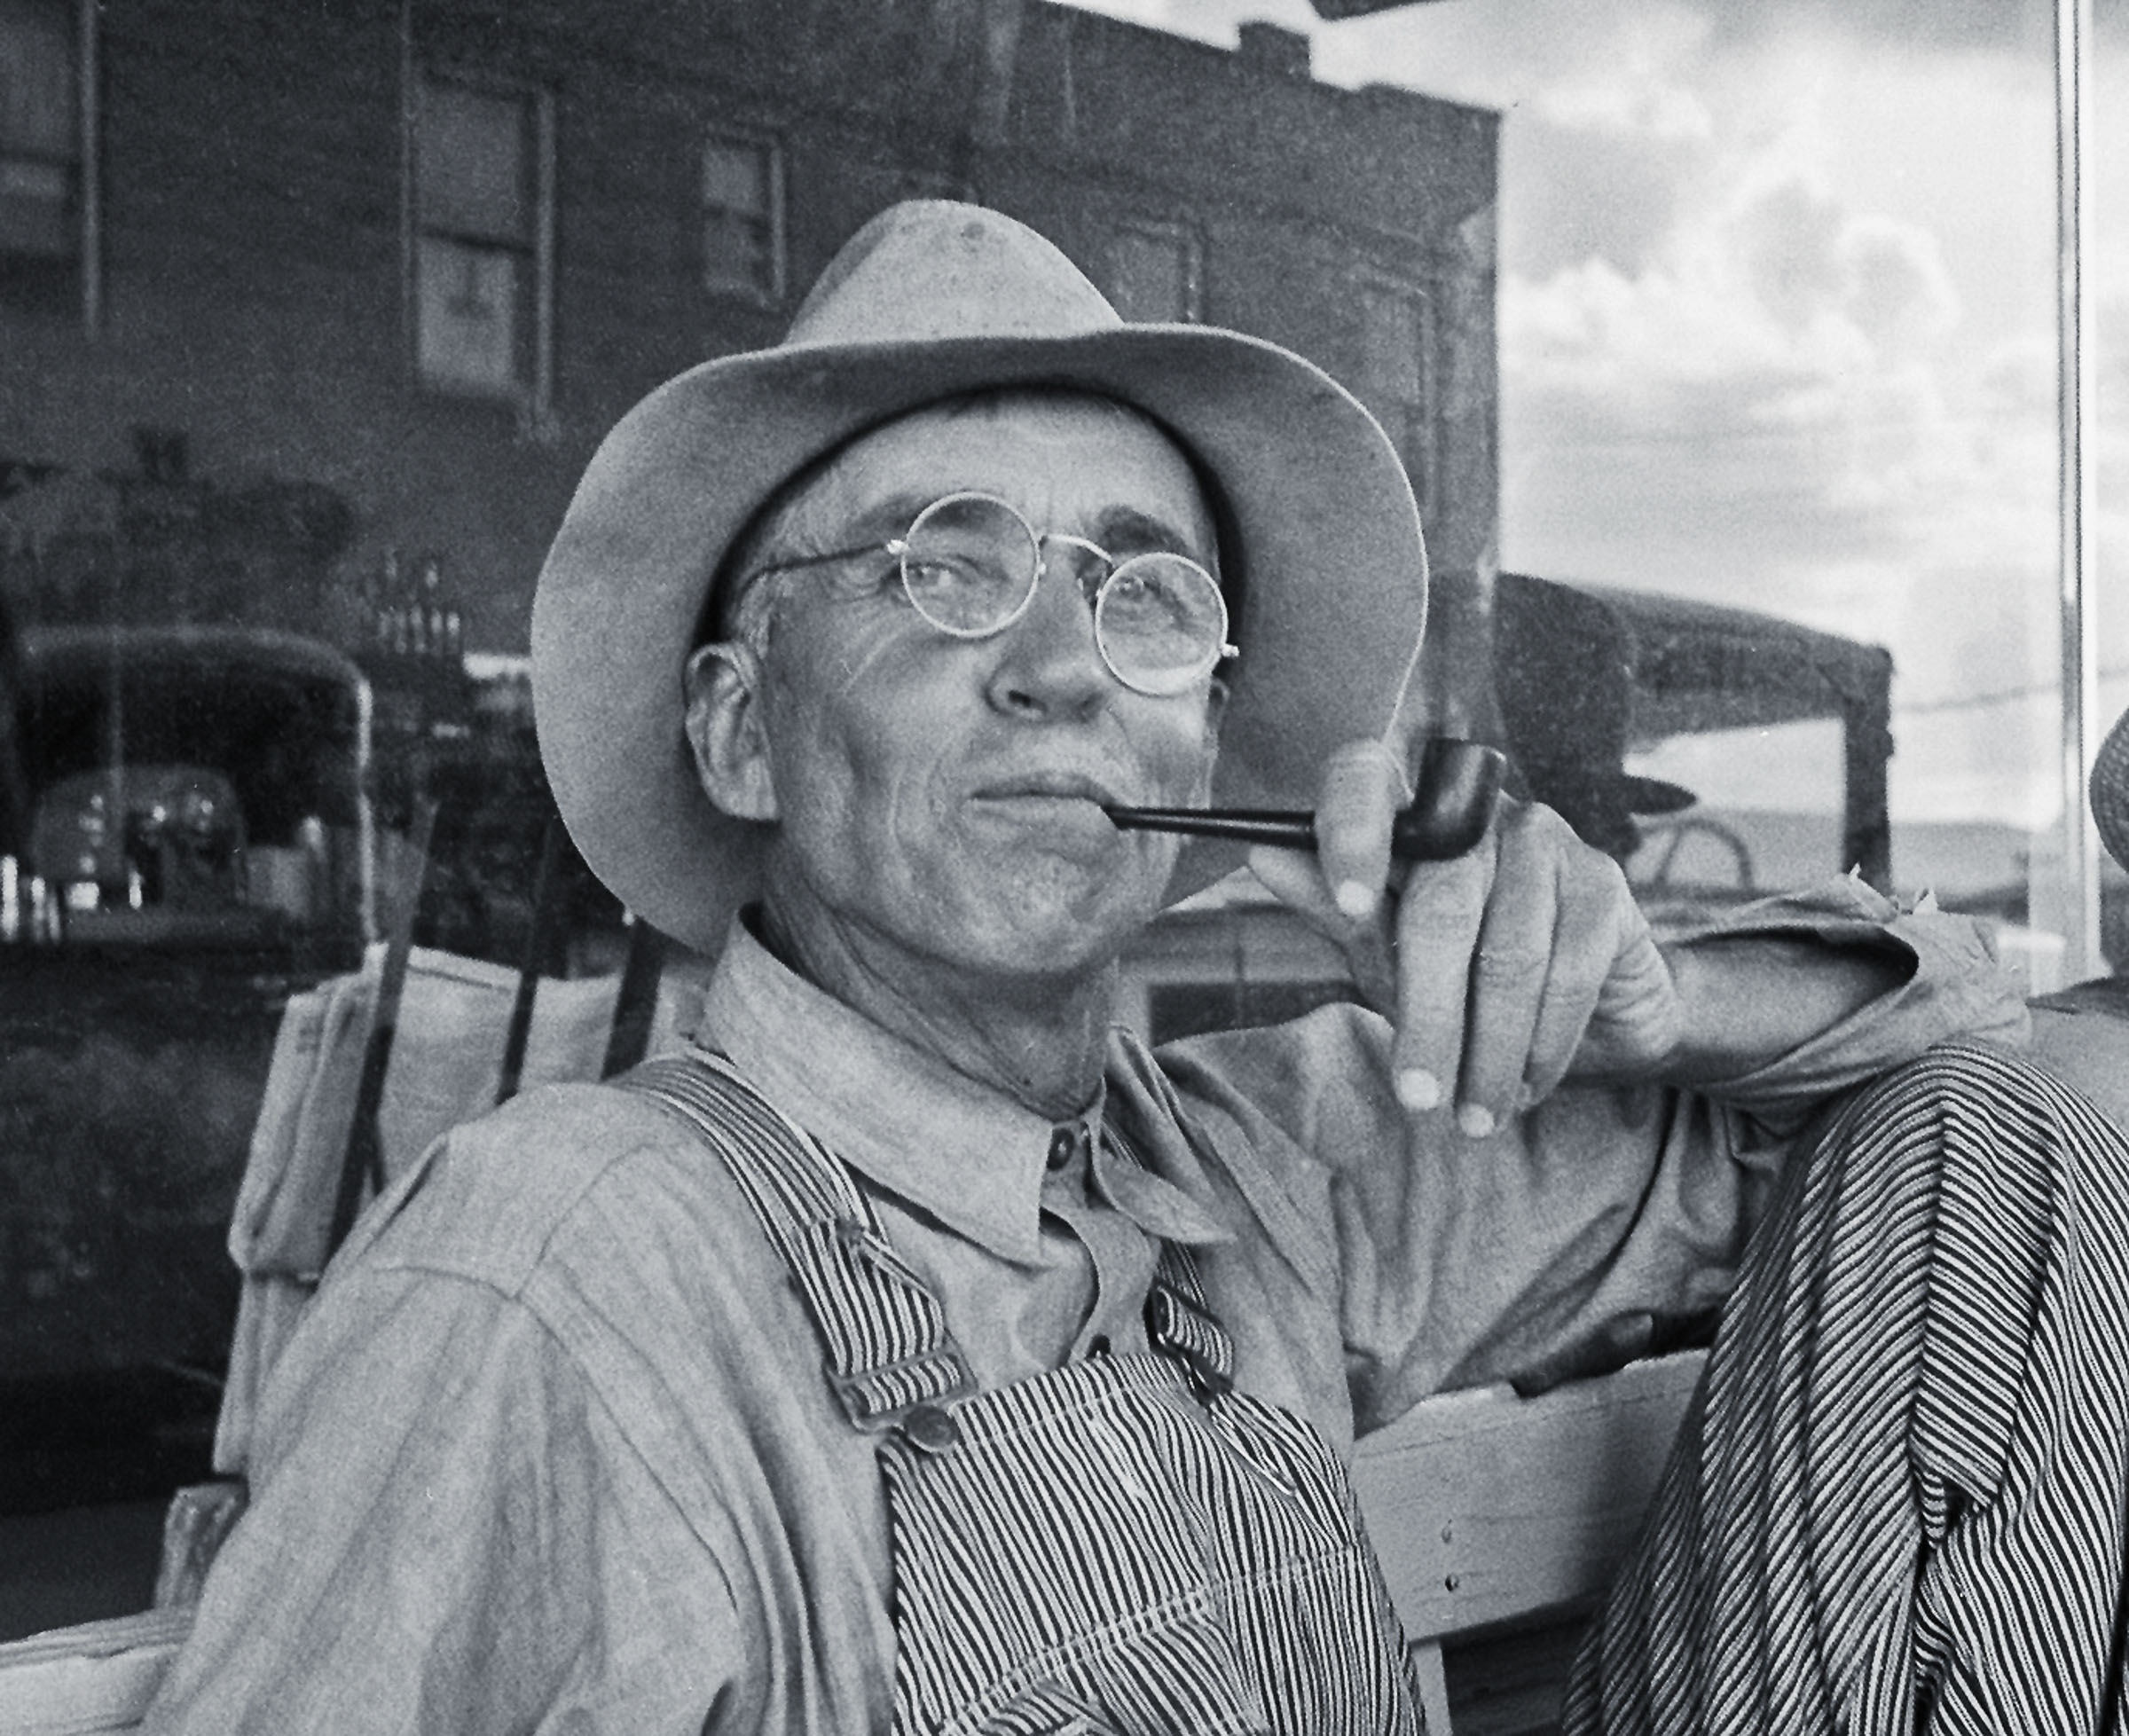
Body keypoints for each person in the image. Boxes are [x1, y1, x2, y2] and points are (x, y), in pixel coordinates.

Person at [141, 202, 2112, 1733]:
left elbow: (1943, 1088)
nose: (1063, 659)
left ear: (1201, 748)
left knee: (2001, 1151)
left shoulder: (1265, 1168)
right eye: (944, 564)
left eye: (1140, 595)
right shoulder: (557, 1285)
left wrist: (1656, 998)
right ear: (741, 735)